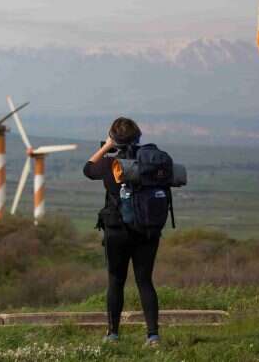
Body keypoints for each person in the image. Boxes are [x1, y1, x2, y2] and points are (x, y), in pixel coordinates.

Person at [83, 117, 161, 347]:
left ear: (114, 138)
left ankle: (113, 334)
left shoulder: (110, 165)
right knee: (145, 281)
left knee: (116, 280)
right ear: (138, 137)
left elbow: (88, 169)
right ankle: (153, 335)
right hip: (147, 230)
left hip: (117, 230)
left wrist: (107, 146)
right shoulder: (151, 163)